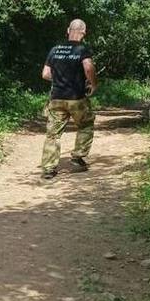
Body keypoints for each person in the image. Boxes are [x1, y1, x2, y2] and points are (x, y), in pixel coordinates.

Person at [40, 18, 97, 180]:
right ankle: (77, 158)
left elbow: (45, 74)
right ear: (84, 32)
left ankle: (49, 169)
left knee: (53, 134)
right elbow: (88, 67)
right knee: (85, 124)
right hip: (76, 98)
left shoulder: (55, 49)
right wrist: (93, 84)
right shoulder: (82, 49)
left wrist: (59, 79)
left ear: (68, 30)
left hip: (56, 99)